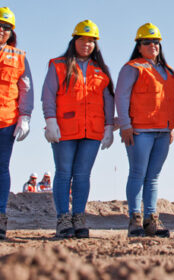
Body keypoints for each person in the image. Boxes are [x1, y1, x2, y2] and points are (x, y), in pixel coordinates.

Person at [42, 19, 115, 238]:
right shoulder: (58, 65)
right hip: (64, 129)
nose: (87, 44)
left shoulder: (101, 70)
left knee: (83, 175)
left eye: (91, 41)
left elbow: (108, 100)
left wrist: (109, 127)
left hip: (91, 132)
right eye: (83, 39)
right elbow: (48, 95)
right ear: (74, 41)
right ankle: (63, 219)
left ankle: (79, 217)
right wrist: (50, 121)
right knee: (64, 174)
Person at [115, 23, 174, 238]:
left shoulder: (168, 71)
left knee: (153, 177)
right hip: (140, 131)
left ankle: (150, 220)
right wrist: (125, 125)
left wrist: (171, 127)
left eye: (155, 42)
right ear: (139, 46)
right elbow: (122, 97)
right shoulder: (132, 68)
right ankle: (134, 219)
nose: (152, 45)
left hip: (163, 131)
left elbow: (170, 101)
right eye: (147, 42)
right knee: (137, 173)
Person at [0, 7, 34, 240]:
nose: (2, 31)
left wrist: (25, 116)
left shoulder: (19, 56)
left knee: (1, 168)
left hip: (6, 120)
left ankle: (0, 217)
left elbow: (26, 88)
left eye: (6, 28)